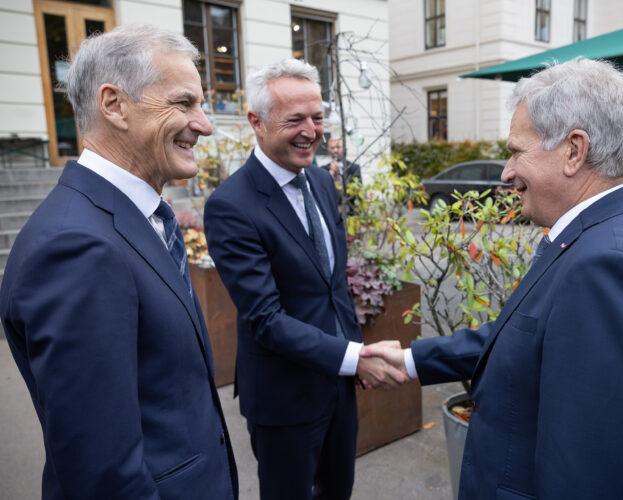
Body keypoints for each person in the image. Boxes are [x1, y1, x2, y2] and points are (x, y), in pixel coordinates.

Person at [362, 58, 623, 499]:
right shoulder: (615, 236)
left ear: (574, 151)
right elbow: (529, 337)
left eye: (516, 151)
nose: (506, 173)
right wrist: (409, 361)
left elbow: (586, 482)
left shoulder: (608, 269)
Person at [0, 25, 238, 499]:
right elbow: (102, 476)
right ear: (114, 105)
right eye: (184, 103)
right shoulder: (75, 247)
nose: (205, 124)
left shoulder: (130, 217)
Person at [203, 59, 405, 500]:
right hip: (283, 399)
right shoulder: (230, 206)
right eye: (295, 119)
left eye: (317, 117)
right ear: (256, 122)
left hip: (337, 385)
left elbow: (332, 288)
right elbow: (265, 319)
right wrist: (355, 357)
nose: (311, 131)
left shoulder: (319, 179)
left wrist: (354, 356)